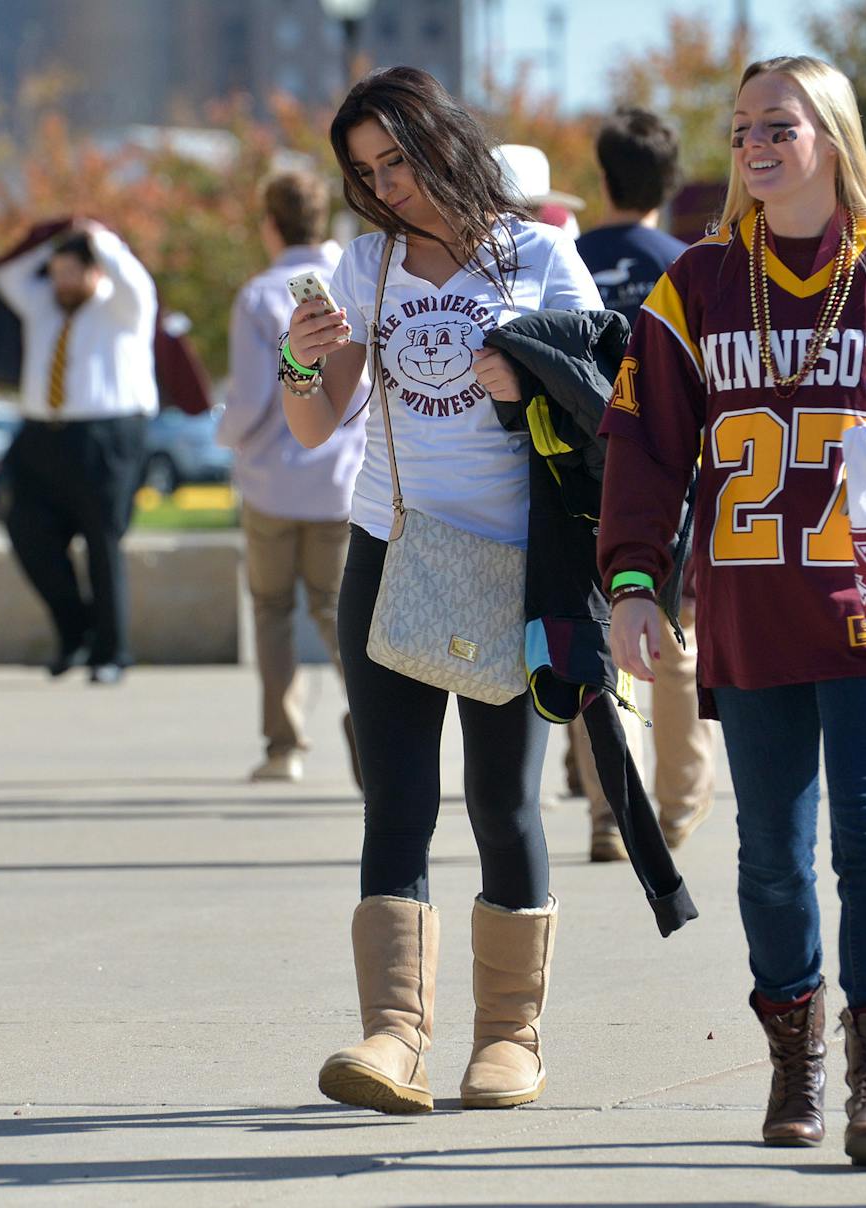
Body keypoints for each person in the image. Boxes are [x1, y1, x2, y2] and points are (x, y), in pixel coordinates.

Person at [598, 55, 866, 1166]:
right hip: (749, 606)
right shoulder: (696, 281)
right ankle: (795, 1057)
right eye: (739, 130)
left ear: (830, 132)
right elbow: (641, 443)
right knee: (768, 852)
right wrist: (632, 578)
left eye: (776, 124)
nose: (754, 145)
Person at [282, 67, 602, 1116]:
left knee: (501, 798)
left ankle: (509, 1035)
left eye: (398, 161)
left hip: (514, 560)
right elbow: (312, 422)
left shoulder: (538, 254)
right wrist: (299, 361)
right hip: (392, 547)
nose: (387, 187)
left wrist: (531, 381)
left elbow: (612, 396)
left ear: (443, 144)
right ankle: (394, 1032)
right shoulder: (364, 262)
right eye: (366, 172)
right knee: (395, 796)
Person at [574, 108, 716, 858]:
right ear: (670, 180)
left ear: (602, 177)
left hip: (580, 474)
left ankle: (608, 811)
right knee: (673, 637)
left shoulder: (566, 259)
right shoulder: (686, 264)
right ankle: (678, 804)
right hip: (673, 475)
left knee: (597, 642)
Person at [218, 169, 367, 784]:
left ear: (270, 225)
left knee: (273, 608)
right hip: (339, 477)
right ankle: (368, 727)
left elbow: (253, 397)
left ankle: (284, 745)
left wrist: (225, 436)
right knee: (339, 613)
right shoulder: (351, 282)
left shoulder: (259, 296)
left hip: (271, 479)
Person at [0, 222, 157, 684]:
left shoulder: (123, 307)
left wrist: (98, 238)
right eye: (56, 272)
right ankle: (76, 632)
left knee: (102, 542)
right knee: (26, 529)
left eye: (72, 272)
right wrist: (53, 239)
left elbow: (135, 279)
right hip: (42, 436)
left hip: (107, 436)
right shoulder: (44, 306)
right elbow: (6, 277)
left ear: (96, 271)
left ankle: (112, 653)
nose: (61, 281)